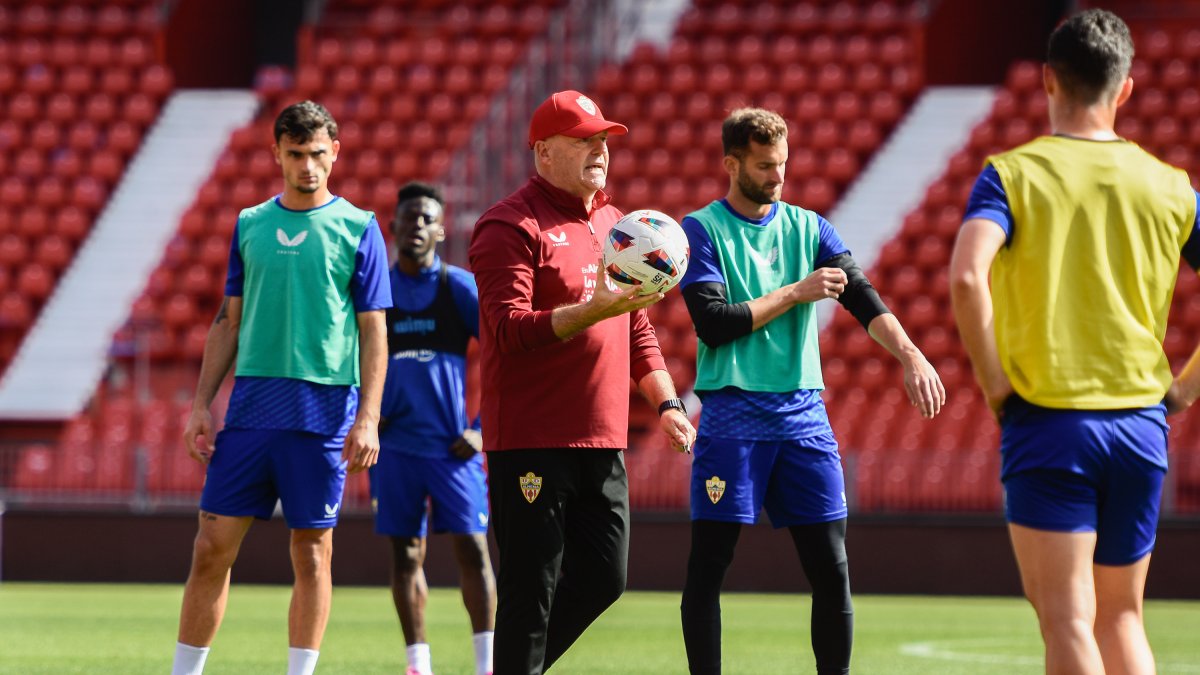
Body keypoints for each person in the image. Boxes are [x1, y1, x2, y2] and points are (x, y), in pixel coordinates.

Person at [950, 9, 1200, 674]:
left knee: (1066, 620)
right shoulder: (1174, 186)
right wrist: (1185, 387)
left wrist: (996, 384)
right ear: (1125, 91)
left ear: (1047, 81)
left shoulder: (1012, 174)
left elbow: (968, 276)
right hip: (1142, 425)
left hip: (1052, 421)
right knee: (1122, 617)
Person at [677, 107, 945, 675]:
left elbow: (864, 297)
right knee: (709, 567)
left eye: (783, 164)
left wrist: (911, 355)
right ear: (732, 164)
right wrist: (796, 293)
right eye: (764, 166)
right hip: (732, 418)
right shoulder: (699, 230)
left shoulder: (811, 227)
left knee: (831, 567)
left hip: (802, 417)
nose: (778, 177)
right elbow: (716, 323)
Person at [467, 89, 697, 674]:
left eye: (603, 140)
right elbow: (509, 330)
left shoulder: (615, 223)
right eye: (584, 140)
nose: (600, 150)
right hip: (532, 439)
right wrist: (593, 310)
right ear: (544, 152)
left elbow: (638, 330)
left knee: (603, 577)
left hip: (602, 436)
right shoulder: (507, 224)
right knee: (531, 589)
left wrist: (667, 402)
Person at [171, 100, 391, 675]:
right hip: (250, 410)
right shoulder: (249, 224)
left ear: (335, 152)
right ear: (277, 153)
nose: (308, 166)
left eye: (318, 153)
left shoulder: (361, 227)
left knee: (312, 552)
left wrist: (368, 417)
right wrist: (199, 405)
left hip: (323, 410)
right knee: (210, 547)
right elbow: (227, 321)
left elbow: (374, 332)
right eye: (295, 154)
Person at [371, 181, 496, 675]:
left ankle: (487, 664)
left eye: (427, 218)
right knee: (405, 554)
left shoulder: (458, 288)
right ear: (394, 226)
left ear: (441, 230)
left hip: (453, 450)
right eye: (409, 218)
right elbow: (350, 356)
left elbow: (503, 357)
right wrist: (367, 412)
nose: (416, 226)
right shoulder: (376, 289)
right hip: (395, 449)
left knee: (472, 548)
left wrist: (482, 428)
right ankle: (418, 664)